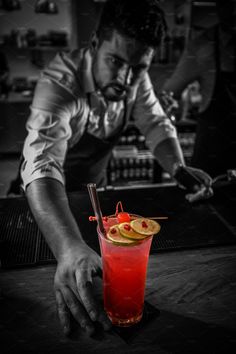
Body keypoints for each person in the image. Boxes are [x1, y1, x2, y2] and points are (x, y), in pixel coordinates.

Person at [20, 0, 213, 336]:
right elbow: (41, 162)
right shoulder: (60, 82)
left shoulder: (135, 80)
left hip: (92, 199)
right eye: (116, 61)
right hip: (49, 209)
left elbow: (155, 124)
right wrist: (67, 248)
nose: (126, 79)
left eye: (138, 67)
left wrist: (179, 169)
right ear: (95, 45)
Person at [162, 0, 236, 178]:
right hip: (211, 165)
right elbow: (169, 92)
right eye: (228, 3)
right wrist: (168, 103)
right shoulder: (203, 46)